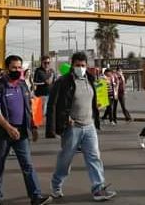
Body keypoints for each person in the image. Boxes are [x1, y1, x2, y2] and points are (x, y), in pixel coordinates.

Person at [46, 51, 117, 201]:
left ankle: (98, 188)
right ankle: (56, 185)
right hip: (73, 128)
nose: (81, 68)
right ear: (72, 65)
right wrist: (62, 121)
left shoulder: (90, 79)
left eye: (83, 65)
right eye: (77, 65)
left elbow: (92, 98)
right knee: (65, 159)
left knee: (94, 157)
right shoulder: (63, 82)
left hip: (89, 125)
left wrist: (96, 106)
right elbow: (54, 104)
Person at [0, 55, 51, 205]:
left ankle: (35, 197)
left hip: (22, 133)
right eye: (14, 68)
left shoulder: (23, 85)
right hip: (2, 133)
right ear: (7, 68)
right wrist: (8, 127)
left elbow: (29, 108)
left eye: (19, 67)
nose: (17, 70)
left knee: (28, 165)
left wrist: (34, 127)